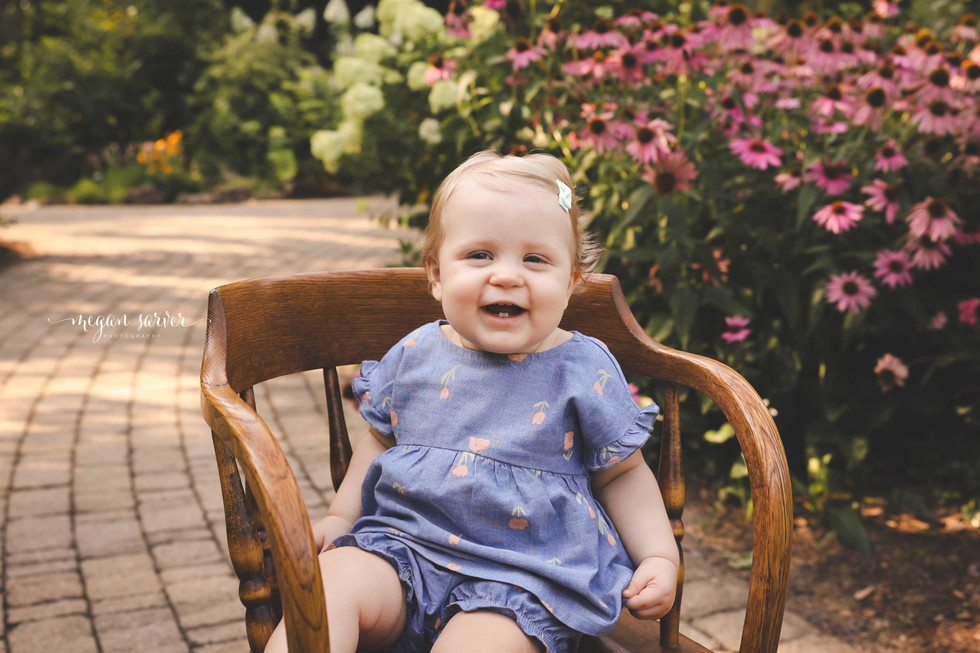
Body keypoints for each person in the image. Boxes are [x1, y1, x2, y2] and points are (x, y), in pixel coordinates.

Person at [265, 150, 679, 653]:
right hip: (404, 552)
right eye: (480, 255)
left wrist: (659, 556)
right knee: (331, 583)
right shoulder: (415, 354)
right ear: (436, 274)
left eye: (535, 259)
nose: (506, 276)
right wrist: (340, 518)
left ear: (571, 282)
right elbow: (378, 443)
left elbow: (623, 474)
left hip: (522, 581)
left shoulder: (583, 369)